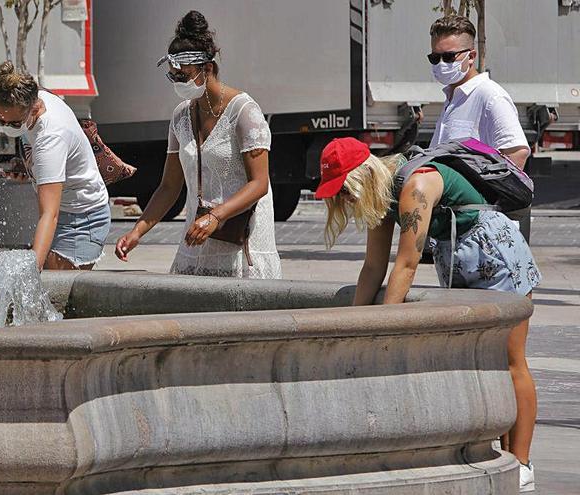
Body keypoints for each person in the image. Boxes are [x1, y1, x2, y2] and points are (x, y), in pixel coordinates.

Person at [316, 137, 540, 493]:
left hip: (497, 257)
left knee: (511, 362)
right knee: (483, 364)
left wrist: (387, 331)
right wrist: (356, 327)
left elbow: (405, 265)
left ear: (362, 176)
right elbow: (373, 267)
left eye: (344, 191)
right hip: (459, 261)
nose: (344, 200)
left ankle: (523, 463)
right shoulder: (383, 195)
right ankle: (505, 455)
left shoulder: (415, 184)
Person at [114, 10, 281, 279]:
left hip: (241, 241)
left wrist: (216, 216)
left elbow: (259, 183)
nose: (178, 82)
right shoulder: (181, 116)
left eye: (183, 76)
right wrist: (137, 232)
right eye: (173, 77)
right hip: (197, 239)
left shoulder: (244, 112)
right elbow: (169, 187)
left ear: (208, 68)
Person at [0, 61, 110, 271]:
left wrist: (31, 274)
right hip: (66, 211)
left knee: (54, 294)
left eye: (13, 124)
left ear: (34, 108)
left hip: (80, 220)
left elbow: (50, 214)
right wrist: (29, 168)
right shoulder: (34, 96)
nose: (6, 127)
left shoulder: (51, 138)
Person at [428, 15, 530, 167]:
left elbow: (517, 153)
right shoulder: (454, 96)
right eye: (435, 57)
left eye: (449, 57)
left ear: (471, 57)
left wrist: (477, 188)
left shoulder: (490, 96)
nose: (441, 64)